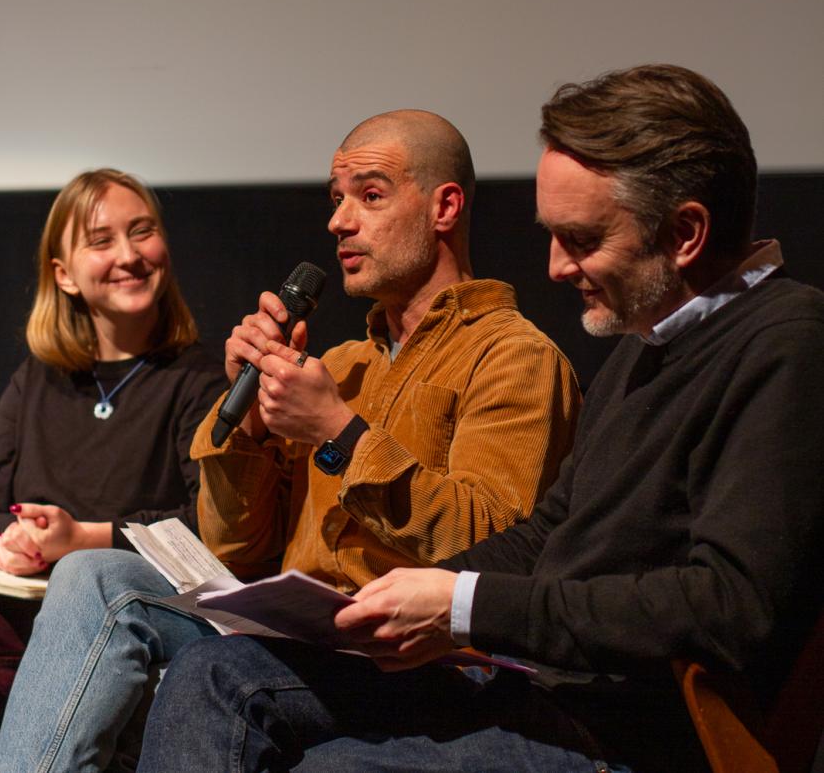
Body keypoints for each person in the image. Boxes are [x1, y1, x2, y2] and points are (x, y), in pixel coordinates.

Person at [134, 65, 824, 773]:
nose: (555, 267)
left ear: (685, 233)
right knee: (216, 674)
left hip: (629, 733)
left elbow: (727, 607)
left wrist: (463, 605)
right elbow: (549, 536)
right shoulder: (643, 348)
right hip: (532, 686)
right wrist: (395, 600)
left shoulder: (786, 343)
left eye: (582, 239)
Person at [0, 110, 581, 772]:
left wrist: (337, 432)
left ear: (444, 206)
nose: (339, 221)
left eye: (371, 195)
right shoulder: (344, 362)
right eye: (336, 200)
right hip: (300, 635)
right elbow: (234, 549)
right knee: (94, 576)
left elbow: (492, 547)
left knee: (220, 671)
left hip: (417, 655)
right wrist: (247, 427)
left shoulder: (513, 357)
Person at [0, 168, 226, 773]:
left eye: (142, 232)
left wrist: (82, 538)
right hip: (15, 612)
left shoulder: (200, 379)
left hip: (115, 617)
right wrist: (14, 540)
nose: (128, 255)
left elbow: (211, 525)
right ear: (63, 275)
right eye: (101, 241)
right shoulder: (39, 379)